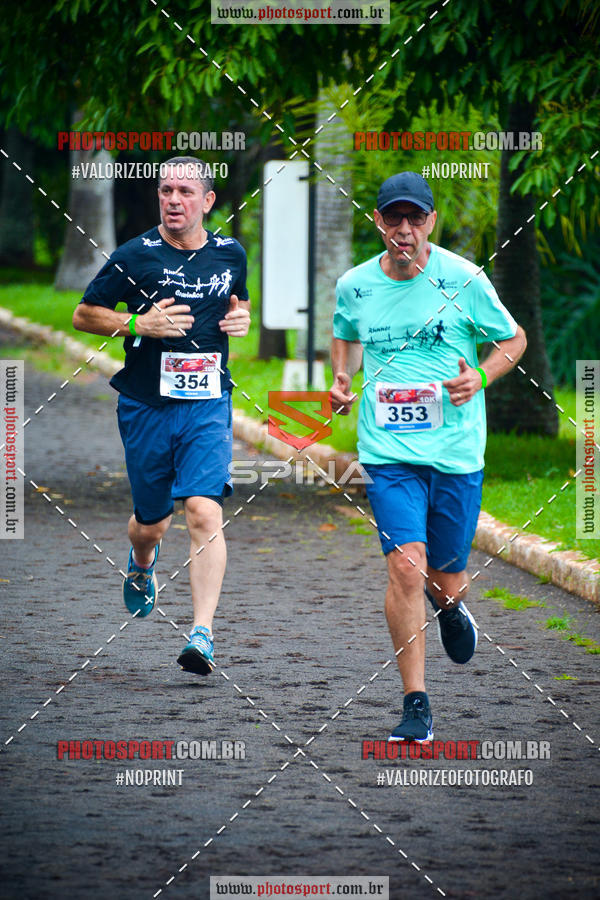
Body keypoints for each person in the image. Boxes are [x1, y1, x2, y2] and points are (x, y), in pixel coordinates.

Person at [330, 171, 527, 741]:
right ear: (379, 222)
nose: (405, 229)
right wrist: (343, 376)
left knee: (446, 577)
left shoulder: (463, 279)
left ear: (431, 223)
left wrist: (481, 378)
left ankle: (451, 607)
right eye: (394, 218)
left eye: (416, 218)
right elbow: (345, 331)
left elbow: (512, 340)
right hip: (388, 451)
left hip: (456, 452)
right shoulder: (355, 285)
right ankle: (416, 702)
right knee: (405, 567)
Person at [72, 156, 250, 675]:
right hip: (146, 405)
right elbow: (84, 314)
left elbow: (236, 306)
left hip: (207, 404)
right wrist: (137, 323)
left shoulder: (230, 253)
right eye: (166, 190)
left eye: (185, 192)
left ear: (207, 201)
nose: (174, 200)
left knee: (203, 511)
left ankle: (202, 634)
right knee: (152, 522)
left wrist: (241, 319)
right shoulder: (134, 255)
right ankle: (143, 561)